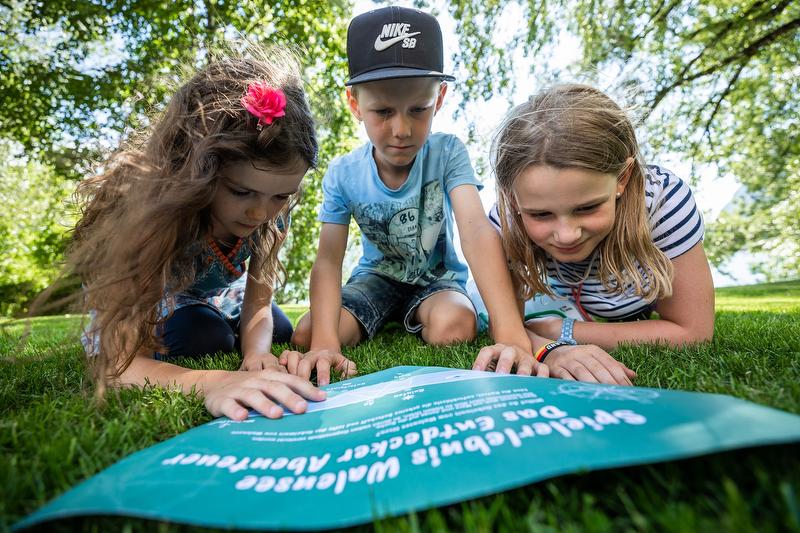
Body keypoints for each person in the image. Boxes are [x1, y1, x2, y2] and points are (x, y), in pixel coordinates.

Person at [285, 6, 544, 384]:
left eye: (418, 109)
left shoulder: (448, 153)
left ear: (439, 99)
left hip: (436, 281)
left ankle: (412, 316)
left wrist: (510, 337)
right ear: (355, 104)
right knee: (308, 332)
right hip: (374, 279)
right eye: (383, 111)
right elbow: (328, 260)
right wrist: (326, 344)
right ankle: (382, 318)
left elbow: (475, 231)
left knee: (454, 327)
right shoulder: (342, 174)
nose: (402, 129)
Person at [70, 46, 326, 420]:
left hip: (216, 293)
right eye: (241, 192)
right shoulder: (154, 217)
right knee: (204, 337)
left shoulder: (272, 216)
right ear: (197, 171)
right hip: (151, 294)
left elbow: (257, 304)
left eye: (280, 196)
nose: (260, 212)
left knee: (278, 330)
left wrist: (256, 356)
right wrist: (211, 381)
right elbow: (118, 366)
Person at [471, 83, 715, 385]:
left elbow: (692, 332)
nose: (567, 235)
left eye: (587, 208)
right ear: (512, 200)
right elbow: (510, 332)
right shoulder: (506, 221)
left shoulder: (663, 202)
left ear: (622, 179)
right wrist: (551, 350)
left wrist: (561, 330)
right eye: (541, 215)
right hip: (551, 300)